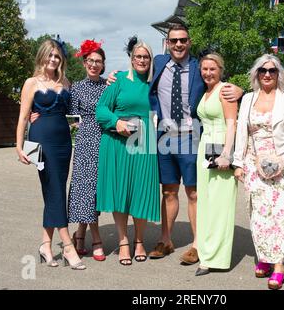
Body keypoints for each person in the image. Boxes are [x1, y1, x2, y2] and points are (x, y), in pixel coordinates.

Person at [108, 24, 243, 265]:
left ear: (189, 42)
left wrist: (241, 90)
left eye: (183, 40)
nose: (178, 44)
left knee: (193, 192)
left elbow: (218, 81)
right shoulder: (158, 63)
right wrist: (113, 76)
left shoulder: (198, 67)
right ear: (167, 44)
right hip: (163, 136)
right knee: (168, 191)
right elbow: (135, 70)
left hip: (192, 136)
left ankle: (196, 244)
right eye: (173, 41)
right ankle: (166, 240)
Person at [233, 54, 284, 289]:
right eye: (262, 70)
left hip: (281, 163)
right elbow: (242, 132)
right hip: (254, 162)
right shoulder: (248, 99)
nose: (267, 74)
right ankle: (263, 256)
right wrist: (238, 163)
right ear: (256, 74)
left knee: (279, 213)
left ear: (278, 74)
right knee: (258, 213)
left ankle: (279, 265)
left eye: (272, 71)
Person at [16, 39, 86, 270]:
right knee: (54, 189)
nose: (54, 60)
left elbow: (71, 113)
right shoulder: (31, 82)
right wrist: (19, 147)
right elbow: (24, 117)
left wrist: (75, 123)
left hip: (64, 142)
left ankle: (46, 245)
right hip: (39, 141)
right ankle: (68, 246)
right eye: (50, 56)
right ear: (42, 57)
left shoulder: (65, 82)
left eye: (57, 57)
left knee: (54, 190)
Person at [95, 39, 160, 266]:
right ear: (131, 59)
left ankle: (140, 240)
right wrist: (116, 121)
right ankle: (124, 242)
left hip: (143, 140)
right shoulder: (119, 80)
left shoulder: (154, 82)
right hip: (117, 142)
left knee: (141, 190)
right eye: (138, 56)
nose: (142, 60)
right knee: (121, 191)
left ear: (151, 60)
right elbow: (101, 109)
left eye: (146, 57)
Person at [194, 53, 238, 276]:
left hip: (220, 146)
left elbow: (232, 124)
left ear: (220, 69)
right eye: (204, 69)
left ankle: (216, 258)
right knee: (207, 203)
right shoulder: (206, 91)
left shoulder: (225, 90)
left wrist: (226, 154)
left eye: (212, 69)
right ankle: (206, 251)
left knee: (220, 205)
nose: (208, 73)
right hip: (205, 147)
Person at [67, 40, 107, 261]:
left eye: (98, 61)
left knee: (95, 190)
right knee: (86, 188)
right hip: (84, 142)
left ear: (103, 65)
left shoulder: (108, 86)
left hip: (105, 140)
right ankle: (97, 238)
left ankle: (80, 235)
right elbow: (72, 117)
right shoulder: (76, 88)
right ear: (84, 63)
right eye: (90, 60)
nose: (94, 64)